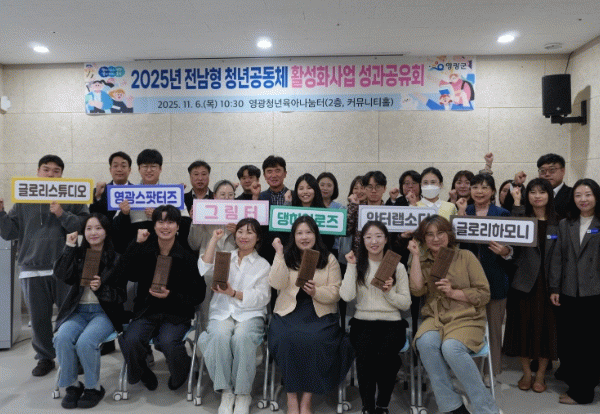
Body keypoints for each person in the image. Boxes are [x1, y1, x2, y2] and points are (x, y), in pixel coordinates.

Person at [0, 154, 89, 377]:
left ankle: (74, 355)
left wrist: (61, 214)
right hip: (32, 268)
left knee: (69, 316)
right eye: (46, 169)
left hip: (65, 268)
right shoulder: (23, 199)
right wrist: (0, 214)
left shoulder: (72, 195)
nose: (51, 174)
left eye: (56, 171)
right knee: (39, 320)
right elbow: (9, 232)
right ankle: (45, 357)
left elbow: (83, 225)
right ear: (38, 172)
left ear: (62, 175)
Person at [408, 215, 500, 414]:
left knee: (451, 348)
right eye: (429, 234)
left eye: (440, 233)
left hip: (466, 317)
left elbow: (484, 294)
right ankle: (453, 407)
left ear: (449, 234)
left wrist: (453, 293)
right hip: (436, 317)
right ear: (423, 239)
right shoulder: (422, 260)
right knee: (425, 343)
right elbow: (417, 290)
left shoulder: (465, 256)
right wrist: (415, 256)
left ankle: (486, 408)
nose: (436, 238)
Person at [268, 216, 353, 414]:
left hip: (320, 312)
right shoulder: (286, 256)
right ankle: (291, 397)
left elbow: (336, 292)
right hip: (289, 310)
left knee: (315, 341)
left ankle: (306, 399)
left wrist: (316, 292)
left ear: (316, 235)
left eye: (308, 232)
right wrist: (279, 254)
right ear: (293, 236)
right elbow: (276, 283)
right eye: (299, 233)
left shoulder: (328, 259)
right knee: (286, 339)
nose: (304, 237)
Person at [117, 205, 205, 392]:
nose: (165, 226)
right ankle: (142, 372)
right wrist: (135, 244)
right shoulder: (144, 250)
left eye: (171, 222)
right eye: (161, 222)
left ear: (178, 226)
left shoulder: (187, 257)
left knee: (168, 342)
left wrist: (171, 295)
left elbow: (198, 294)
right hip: (147, 310)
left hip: (176, 313)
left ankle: (181, 372)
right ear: (154, 225)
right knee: (130, 340)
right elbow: (127, 273)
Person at [53, 214, 126, 409]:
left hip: (104, 312)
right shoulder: (78, 255)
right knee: (62, 338)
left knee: (86, 342)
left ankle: (93, 388)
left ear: (106, 231)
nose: (93, 232)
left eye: (98, 228)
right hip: (77, 311)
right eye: (89, 228)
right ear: (83, 232)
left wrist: (101, 288)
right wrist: (69, 247)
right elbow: (61, 274)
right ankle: (73, 386)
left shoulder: (116, 258)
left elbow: (121, 296)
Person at [197, 219, 271, 414]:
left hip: (250, 313)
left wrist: (234, 293)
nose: (244, 236)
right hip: (222, 311)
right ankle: (227, 391)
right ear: (235, 234)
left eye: (249, 232)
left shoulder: (263, 265)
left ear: (258, 238)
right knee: (218, 336)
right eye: (240, 232)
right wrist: (214, 239)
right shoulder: (225, 257)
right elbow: (204, 268)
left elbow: (263, 297)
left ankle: (243, 393)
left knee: (242, 338)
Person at [339, 221, 411, 414]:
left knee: (386, 358)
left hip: (392, 322)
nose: (374, 241)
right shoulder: (357, 265)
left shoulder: (397, 266)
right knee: (365, 358)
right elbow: (346, 296)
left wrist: (389, 292)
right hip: (363, 321)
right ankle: (368, 406)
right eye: (369, 237)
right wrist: (351, 267)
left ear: (386, 239)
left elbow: (406, 303)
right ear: (362, 240)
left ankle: (382, 405)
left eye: (379, 236)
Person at [502, 178, 558, 393]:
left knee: (546, 329)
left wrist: (556, 287)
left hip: (548, 284)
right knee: (523, 328)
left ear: (549, 195)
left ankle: (541, 374)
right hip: (523, 283)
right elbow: (512, 238)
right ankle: (526, 372)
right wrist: (517, 203)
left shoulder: (558, 221)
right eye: (532, 192)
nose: (537, 196)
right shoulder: (523, 217)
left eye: (542, 192)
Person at [549, 178, 600, 405]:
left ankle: (583, 393)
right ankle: (576, 384)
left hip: (594, 292)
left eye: (588, 194)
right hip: (569, 291)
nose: (583, 199)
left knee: (589, 343)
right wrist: (555, 287)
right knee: (570, 341)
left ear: (596, 197)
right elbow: (557, 258)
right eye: (578, 195)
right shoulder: (565, 224)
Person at [457, 174, 510, 382]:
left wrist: (505, 251)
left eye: (485, 187)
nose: (479, 191)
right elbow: (454, 243)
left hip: (495, 277)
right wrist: (461, 214)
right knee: (470, 327)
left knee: (494, 330)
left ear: (493, 191)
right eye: (475, 187)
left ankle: (491, 372)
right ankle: (470, 372)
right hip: (468, 280)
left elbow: (513, 246)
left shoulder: (502, 213)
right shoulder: (464, 210)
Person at [257, 155, 292, 264]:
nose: (273, 175)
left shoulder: (295, 196)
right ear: (264, 175)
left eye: (278, 171)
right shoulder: (259, 197)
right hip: (265, 251)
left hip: (290, 251)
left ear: (285, 173)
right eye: (269, 171)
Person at [288, 173, 336, 253]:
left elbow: (330, 241)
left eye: (309, 188)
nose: (305, 192)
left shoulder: (325, 213)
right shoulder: (290, 212)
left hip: (319, 255)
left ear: (315, 190)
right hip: (294, 254)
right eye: (301, 188)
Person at [89, 151, 133, 220]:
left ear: (129, 170)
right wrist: (98, 197)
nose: (119, 169)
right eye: (115, 166)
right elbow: (92, 218)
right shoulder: (99, 192)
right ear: (110, 170)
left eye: (123, 166)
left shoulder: (137, 192)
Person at [537, 153, 571, 220]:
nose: (547, 174)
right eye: (543, 171)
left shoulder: (572, 194)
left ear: (563, 171)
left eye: (552, 170)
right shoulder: (534, 194)